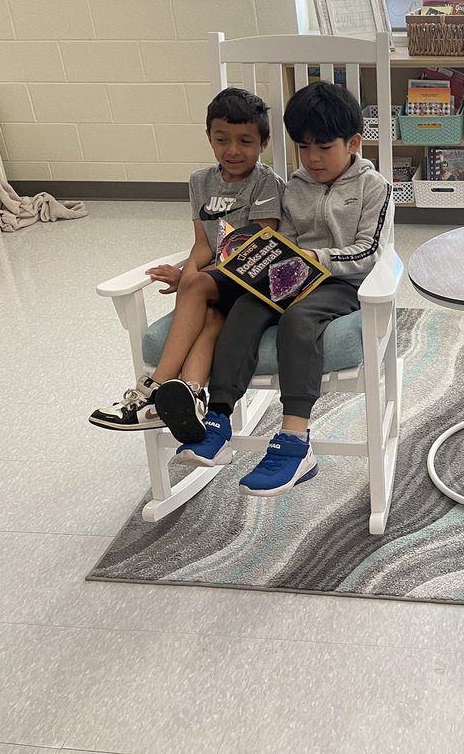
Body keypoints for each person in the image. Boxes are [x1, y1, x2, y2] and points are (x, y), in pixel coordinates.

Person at [163, 82, 394, 497]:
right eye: (304, 147)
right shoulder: (296, 186)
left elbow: (370, 251)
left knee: (300, 320)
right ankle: (217, 421)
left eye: (324, 147)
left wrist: (314, 260)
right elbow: (283, 237)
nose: (313, 158)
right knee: (246, 310)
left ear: (354, 142)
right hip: (289, 276)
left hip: (341, 283)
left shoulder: (374, 187)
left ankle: (294, 441)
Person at [88, 88, 283, 438]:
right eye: (222, 139)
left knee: (198, 287)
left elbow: (257, 248)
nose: (233, 151)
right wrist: (189, 274)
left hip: (252, 279)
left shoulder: (267, 182)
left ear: (264, 143)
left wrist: (193, 280)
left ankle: (152, 389)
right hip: (216, 287)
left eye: (245, 141)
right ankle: (190, 395)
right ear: (209, 137)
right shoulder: (200, 181)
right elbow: (202, 243)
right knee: (209, 319)